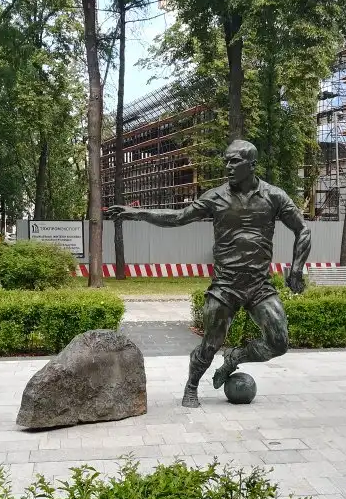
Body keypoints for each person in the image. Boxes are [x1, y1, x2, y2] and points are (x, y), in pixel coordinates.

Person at [104, 139, 312, 407]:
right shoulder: (216, 197)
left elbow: (302, 229)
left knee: (279, 342)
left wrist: (296, 268)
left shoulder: (274, 196)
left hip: (259, 285)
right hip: (225, 285)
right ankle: (191, 387)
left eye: (234, 161)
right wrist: (139, 213)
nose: (227, 166)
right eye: (226, 160)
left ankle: (235, 357)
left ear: (251, 164)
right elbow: (179, 217)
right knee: (210, 345)